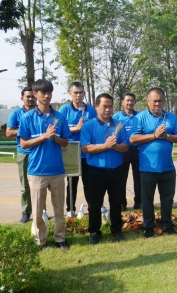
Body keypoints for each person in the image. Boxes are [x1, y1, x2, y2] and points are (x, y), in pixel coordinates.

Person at [18, 79, 71, 251]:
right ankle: (40, 240)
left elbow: (65, 143)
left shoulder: (60, 117)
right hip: (36, 171)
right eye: (43, 93)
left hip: (57, 170)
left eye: (49, 92)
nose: (47, 96)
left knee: (58, 209)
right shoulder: (27, 118)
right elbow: (24, 144)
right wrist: (44, 137)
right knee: (38, 209)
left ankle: (60, 238)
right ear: (35, 94)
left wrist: (55, 137)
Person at [129, 87, 177, 238]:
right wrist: (153, 135)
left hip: (167, 167)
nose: (158, 104)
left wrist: (166, 136)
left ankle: (167, 224)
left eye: (160, 101)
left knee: (167, 198)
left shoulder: (171, 118)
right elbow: (133, 139)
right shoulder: (140, 117)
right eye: (155, 101)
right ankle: (148, 227)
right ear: (148, 101)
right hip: (148, 167)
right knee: (147, 200)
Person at [80, 93, 129, 244]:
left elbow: (126, 146)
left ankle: (116, 229)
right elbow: (85, 148)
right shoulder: (89, 125)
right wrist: (105, 146)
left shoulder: (118, 125)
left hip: (116, 170)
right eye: (104, 106)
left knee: (116, 202)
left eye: (110, 106)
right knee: (94, 204)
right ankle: (94, 231)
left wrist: (115, 146)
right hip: (96, 172)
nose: (108, 110)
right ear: (96, 107)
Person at [59, 82, 97, 216]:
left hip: (87, 153)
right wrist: (76, 128)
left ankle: (92, 208)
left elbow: (95, 128)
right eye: (75, 93)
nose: (78, 95)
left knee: (89, 183)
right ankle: (70, 210)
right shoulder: (64, 110)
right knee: (71, 183)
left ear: (84, 94)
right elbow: (59, 131)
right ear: (70, 94)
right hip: (71, 152)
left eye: (81, 92)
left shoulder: (90, 110)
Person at [6, 87, 36, 223]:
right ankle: (26, 211)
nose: (30, 99)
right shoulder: (16, 113)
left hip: (39, 153)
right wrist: (24, 129)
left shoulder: (40, 113)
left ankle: (42, 211)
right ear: (22, 98)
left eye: (32, 96)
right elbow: (9, 133)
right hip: (24, 153)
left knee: (41, 184)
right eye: (27, 96)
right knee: (25, 186)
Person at [113, 92, 141, 211]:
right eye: (127, 100)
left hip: (137, 150)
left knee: (138, 177)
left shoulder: (140, 116)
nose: (129, 103)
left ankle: (139, 202)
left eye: (132, 100)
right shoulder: (117, 117)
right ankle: (122, 203)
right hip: (122, 150)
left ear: (135, 102)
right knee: (121, 178)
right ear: (122, 102)